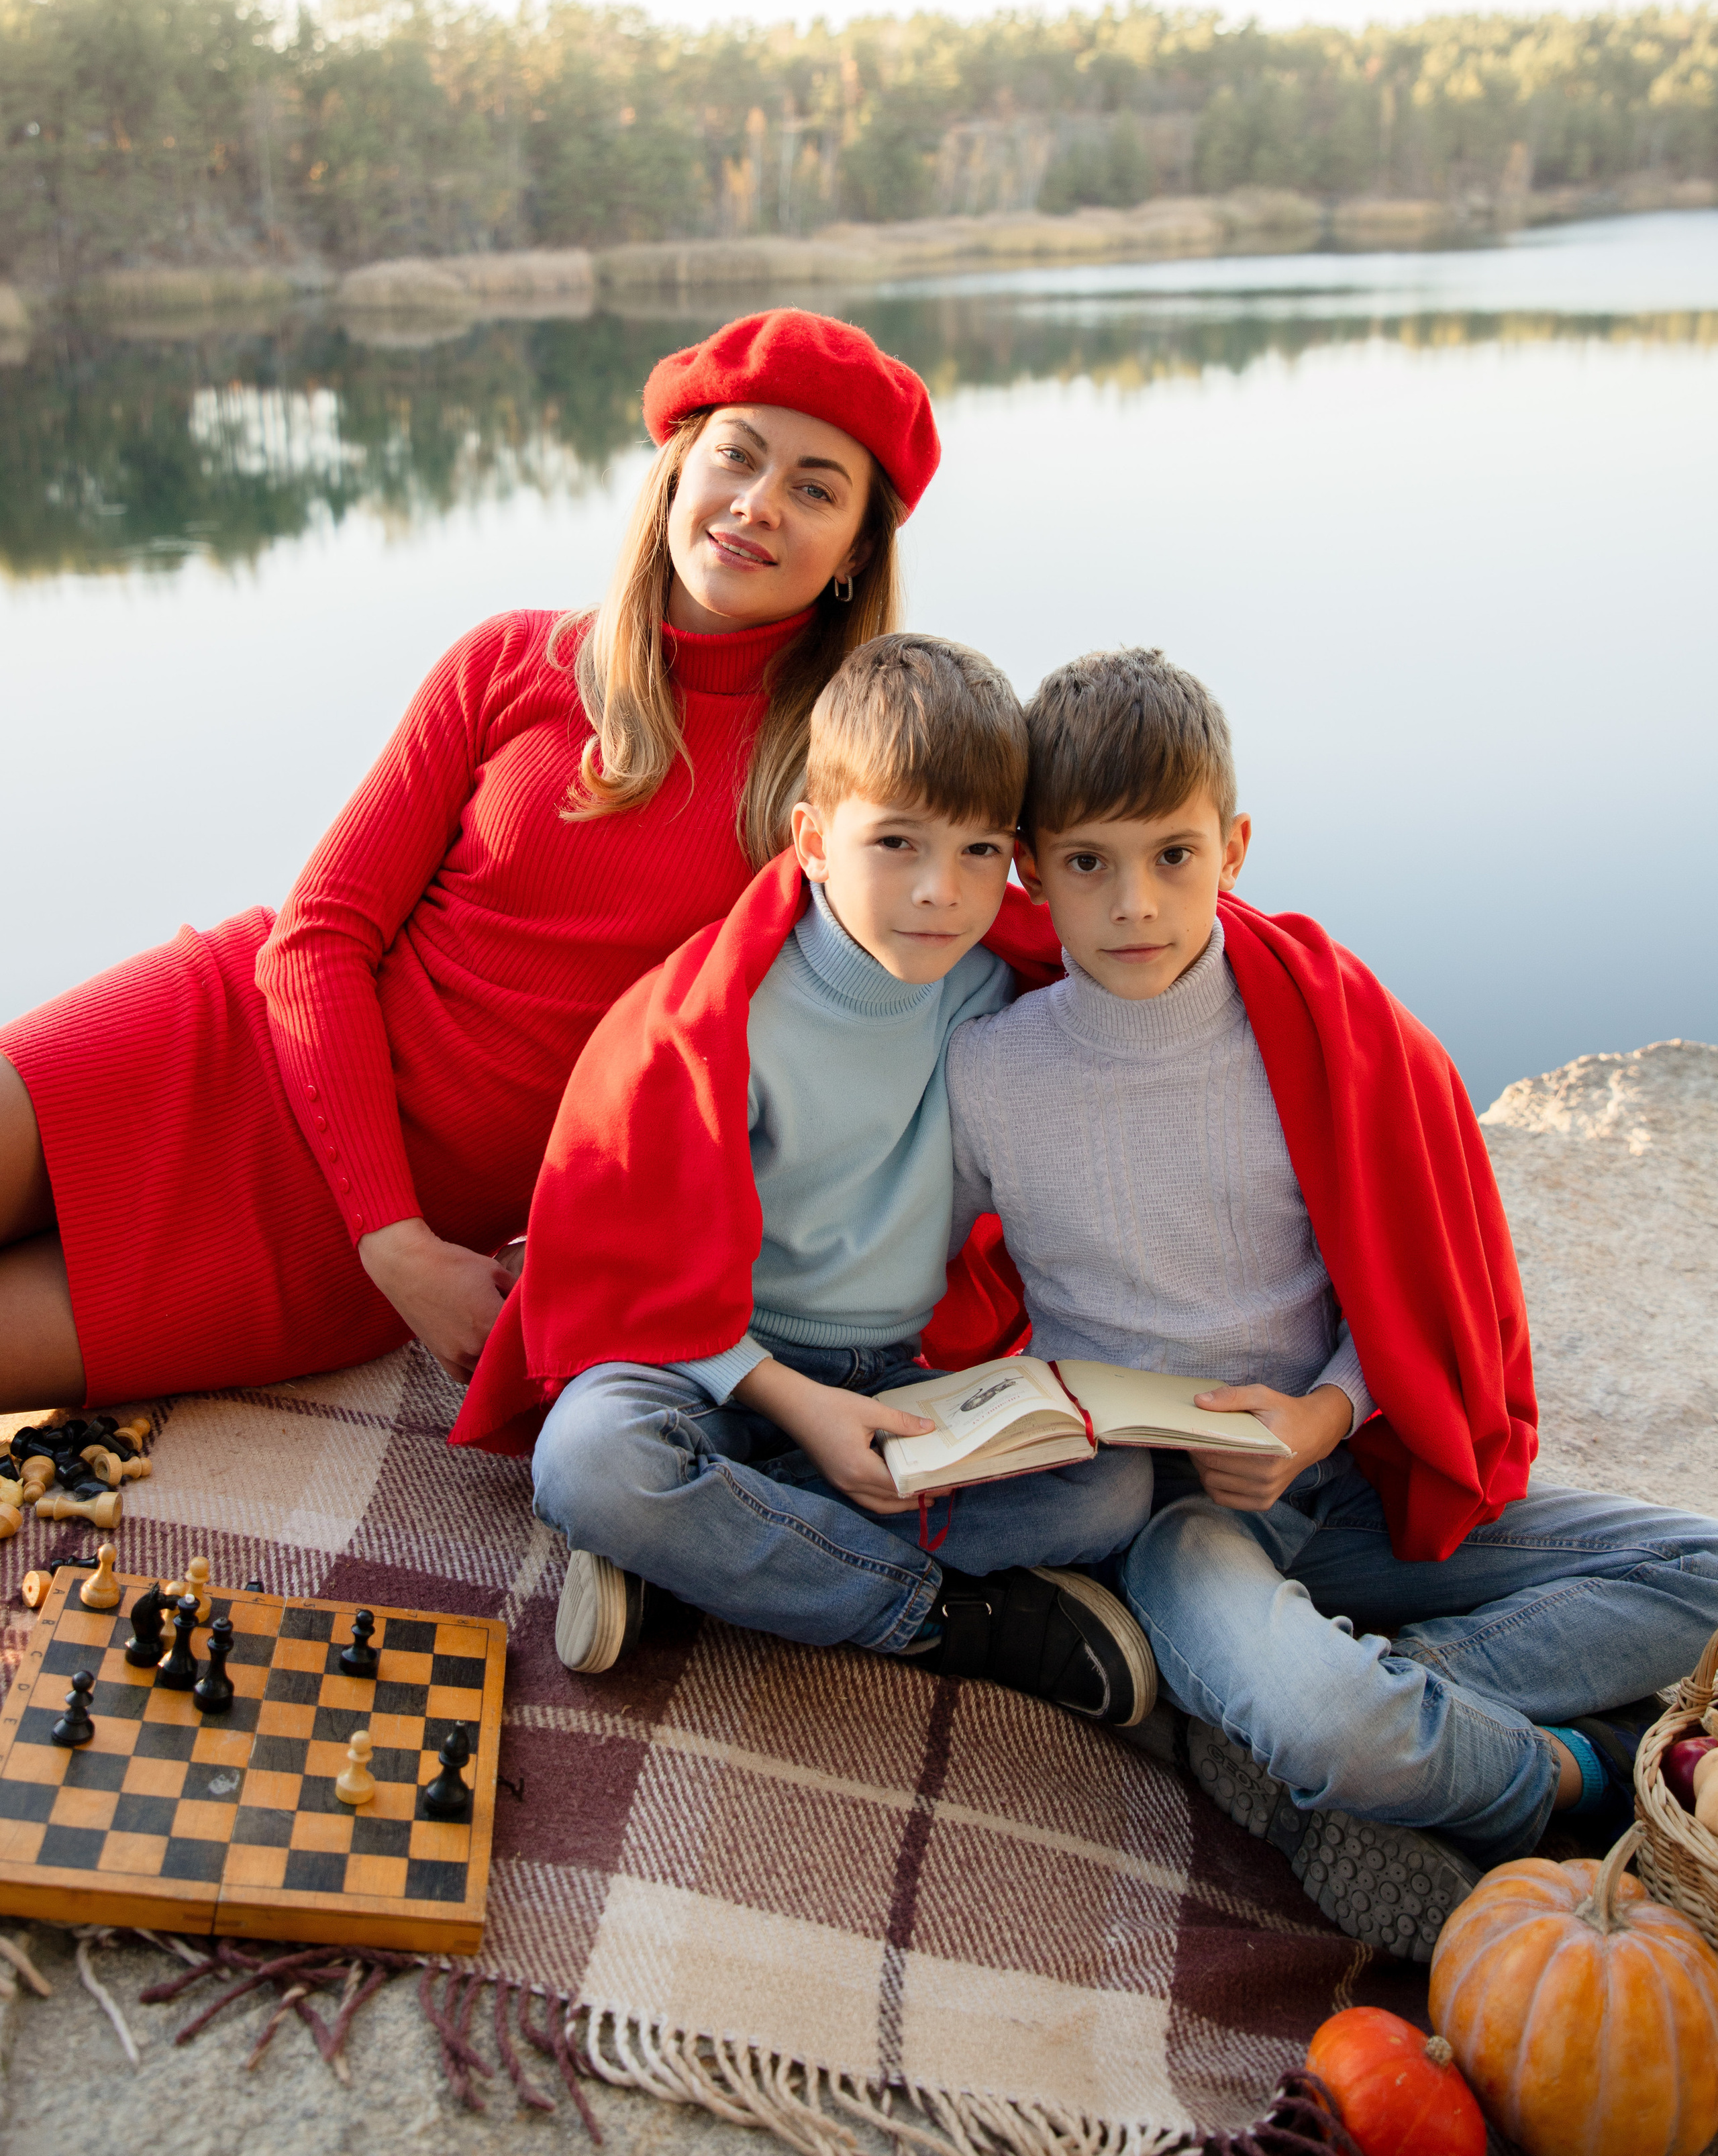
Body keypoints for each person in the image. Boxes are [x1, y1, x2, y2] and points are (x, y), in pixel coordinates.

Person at [0, 309, 942, 1413]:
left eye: (817, 488)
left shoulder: (846, 782)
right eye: (737, 454)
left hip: (346, 1250)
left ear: (856, 554)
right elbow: (319, 938)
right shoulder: (511, 661)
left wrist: (1193, 915)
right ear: (679, 468)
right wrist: (390, 1241)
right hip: (226, 1047)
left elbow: (988, 921)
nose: (758, 503)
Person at [943, 645, 1718, 1958]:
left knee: (1697, 1570)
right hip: (1173, 1522)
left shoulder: (1319, 1029)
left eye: (1171, 856)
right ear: (1029, 867)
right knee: (1337, 1728)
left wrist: (1321, 1412)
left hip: (1340, 1473)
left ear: (1232, 846)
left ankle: (1322, 1709)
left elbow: (1412, 1276)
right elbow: (933, 1286)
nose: (1133, 902)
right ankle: (1559, 1775)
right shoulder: (988, 1072)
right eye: (1087, 863)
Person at [450, 635, 1156, 1728]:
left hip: (888, 1375)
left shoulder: (1000, 991)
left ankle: (702, 1558)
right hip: (710, 1362)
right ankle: (944, 1622)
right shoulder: (722, 1017)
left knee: (1110, 1488)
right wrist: (791, 1403)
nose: (941, 890)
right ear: (815, 840)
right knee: (592, 1464)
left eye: (979, 851)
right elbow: (628, 1262)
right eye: (896, 843)